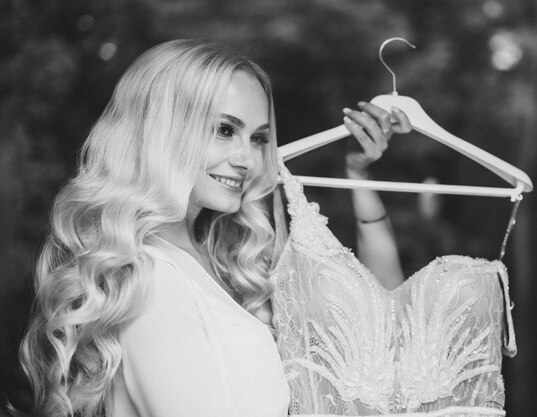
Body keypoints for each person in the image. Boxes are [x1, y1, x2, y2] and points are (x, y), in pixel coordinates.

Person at [17, 39, 410, 417]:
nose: (248, 159)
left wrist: (359, 176)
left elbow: (382, 313)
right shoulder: (154, 279)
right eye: (225, 130)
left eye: (258, 138)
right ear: (164, 130)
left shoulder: (221, 257)